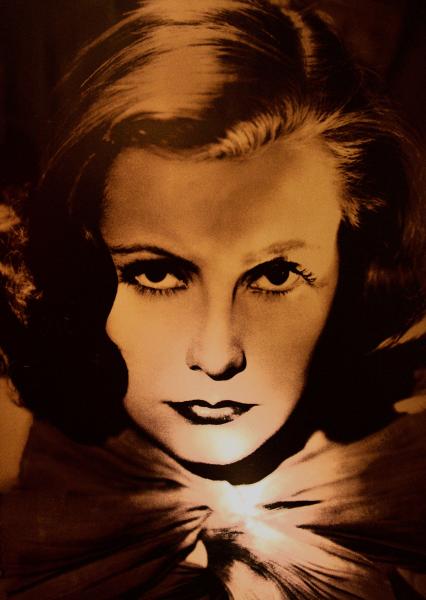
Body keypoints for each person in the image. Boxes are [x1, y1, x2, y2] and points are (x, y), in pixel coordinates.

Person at [0, 0, 425, 597]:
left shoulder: (409, 493)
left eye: (275, 276)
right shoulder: (20, 483)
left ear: (354, 261)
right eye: (156, 275)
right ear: (79, 260)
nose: (218, 356)